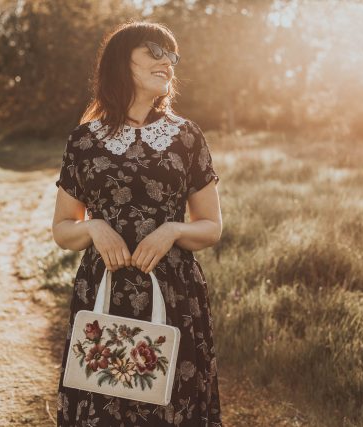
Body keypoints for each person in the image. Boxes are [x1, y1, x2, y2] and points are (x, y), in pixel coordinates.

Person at [52, 20, 223, 426]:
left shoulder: (187, 137)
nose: (168, 62)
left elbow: (212, 227)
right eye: (154, 50)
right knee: (102, 407)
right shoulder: (84, 140)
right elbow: (62, 229)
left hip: (175, 292)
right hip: (103, 293)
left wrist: (173, 230)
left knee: (170, 407)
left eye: (173, 55)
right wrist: (93, 227)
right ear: (120, 60)